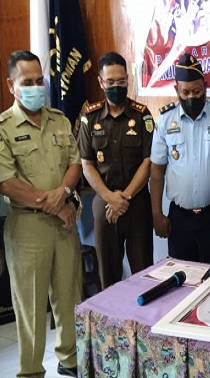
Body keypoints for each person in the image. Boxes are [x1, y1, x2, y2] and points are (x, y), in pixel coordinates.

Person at [0, 50, 83, 378]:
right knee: (31, 304)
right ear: (11, 85)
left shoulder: (59, 120)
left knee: (69, 295)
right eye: (27, 82)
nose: (36, 87)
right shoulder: (4, 128)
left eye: (39, 81)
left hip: (63, 222)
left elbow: (75, 163)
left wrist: (63, 194)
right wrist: (52, 204)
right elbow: (7, 182)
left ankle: (69, 358)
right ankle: (31, 375)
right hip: (28, 227)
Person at [78, 51, 154, 289]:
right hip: (104, 202)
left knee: (144, 272)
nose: (116, 87)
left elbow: (148, 162)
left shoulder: (142, 115)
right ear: (100, 82)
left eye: (121, 81)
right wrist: (110, 197)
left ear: (128, 79)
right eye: (110, 82)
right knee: (108, 273)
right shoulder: (90, 117)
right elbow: (86, 164)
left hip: (136, 202)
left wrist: (125, 197)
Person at [150, 53, 210, 265]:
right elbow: (156, 171)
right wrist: (157, 214)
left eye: (197, 91)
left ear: (205, 86)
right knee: (181, 276)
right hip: (180, 219)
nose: (191, 97)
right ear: (176, 89)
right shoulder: (165, 120)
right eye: (185, 92)